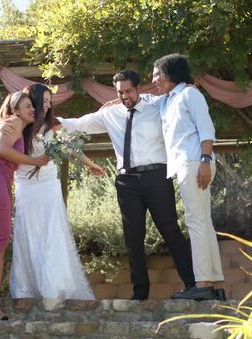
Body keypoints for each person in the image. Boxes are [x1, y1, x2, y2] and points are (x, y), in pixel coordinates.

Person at [57, 70, 196, 301]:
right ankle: (140, 294)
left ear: (138, 88)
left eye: (128, 91)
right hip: (126, 181)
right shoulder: (110, 113)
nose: (124, 96)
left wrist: (189, 88)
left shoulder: (157, 106)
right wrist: (50, 121)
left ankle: (192, 285)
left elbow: (179, 98)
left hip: (157, 176)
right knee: (133, 237)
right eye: (120, 92)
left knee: (170, 230)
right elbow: (79, 124)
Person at [8, 83, 101, 300]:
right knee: (27, 232)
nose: (48, 106)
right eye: (45, 101)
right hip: (25, 184)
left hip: (48, 184)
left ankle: (53, 287)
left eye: (51, 101)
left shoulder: (54, 125)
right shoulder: (19, 123)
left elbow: (69, 147)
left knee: (51, 233)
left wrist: (89, 164)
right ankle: (27, 288)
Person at [0, 90, 49, 321]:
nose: (32, 110)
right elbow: (2, 151)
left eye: (32, 107)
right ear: (14, 110)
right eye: (26, 106)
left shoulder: (8, 124)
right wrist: (35, 161)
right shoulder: (12, 122)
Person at [150, 54, 225, 300]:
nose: (153, 80)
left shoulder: (190, 95)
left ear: (171, 74)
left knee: (196, 221)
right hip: (187, 165)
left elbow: (206, 130)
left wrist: (205, 161)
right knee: (203, 221)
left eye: (157, 74)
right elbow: (143, 101)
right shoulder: (166, 101)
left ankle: (202, 284)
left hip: (195, 163)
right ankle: (213, 283)